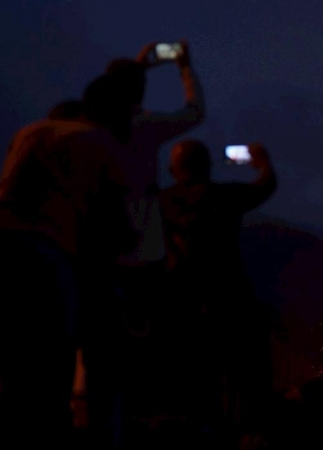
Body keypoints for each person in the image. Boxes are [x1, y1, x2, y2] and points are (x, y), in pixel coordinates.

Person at [0, 73, 137, 450]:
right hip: (45, 248)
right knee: (51, 359)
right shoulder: (97, 141)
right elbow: (114, 222)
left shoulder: (30, 132)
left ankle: (4, 437)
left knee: (8, 353)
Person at [79, 40, 206, 448]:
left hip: (97, 246)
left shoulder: (87, 129)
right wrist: (183, 67)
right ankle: (141, 419)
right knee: (144, 337)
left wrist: (135, 70)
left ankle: (101, 422)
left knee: (101, 340)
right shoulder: (146, 126)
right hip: (142, 248)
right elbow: (194, 111)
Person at [156, 139, 277, 446]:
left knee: (192, 365)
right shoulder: (225, 196)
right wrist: (262, 162)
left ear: (173, 169)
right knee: (237, 362)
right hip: (228, 293)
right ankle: (241, 429)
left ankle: (199, 428)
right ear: (208, 166)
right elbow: (265, 185)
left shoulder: (162, 202)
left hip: (179, 296)